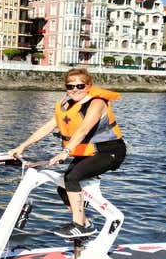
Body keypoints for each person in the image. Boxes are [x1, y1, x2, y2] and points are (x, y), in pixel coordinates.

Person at [9, 68, 126, 239]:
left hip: (110, 151)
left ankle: (79, 225)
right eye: (70, 87)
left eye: (79, 86)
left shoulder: (97, 103)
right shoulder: (67, 105)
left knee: (72, 178)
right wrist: (22, 146)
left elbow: (83, 130)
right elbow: (47, 127)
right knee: (63, 188)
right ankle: (86, 224)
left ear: (88, 86)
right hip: (88, 152)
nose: (74, 90)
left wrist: (65, 151)